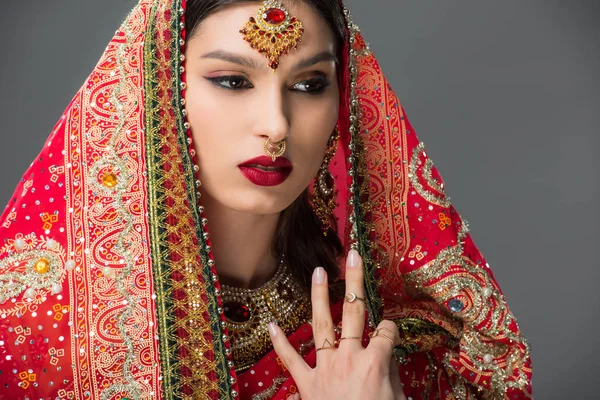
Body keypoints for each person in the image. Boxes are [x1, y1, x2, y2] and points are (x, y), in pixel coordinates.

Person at [0, 0, 532, 398]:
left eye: (309, 85)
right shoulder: (39, 329)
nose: (276, 125)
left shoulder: (385, 342)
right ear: (155, 90)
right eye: (231, 80)